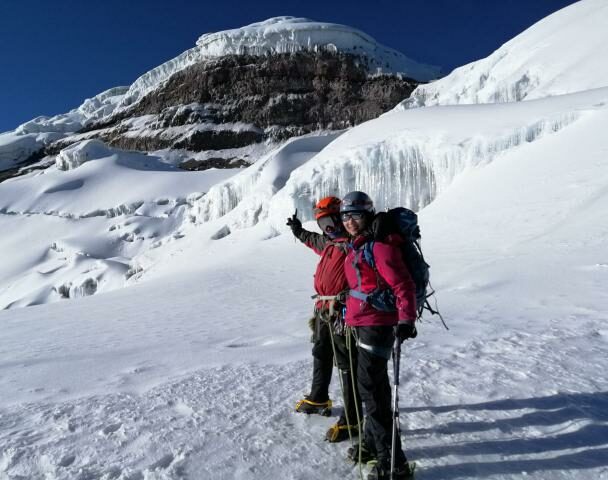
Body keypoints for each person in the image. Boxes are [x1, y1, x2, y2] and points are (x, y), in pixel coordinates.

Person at [340, 191, 417, 480]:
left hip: (376, 325)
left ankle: (393, 463)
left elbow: (403, 284)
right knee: (370, 389)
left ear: (368, 215)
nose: (349, 221)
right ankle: (373, 444)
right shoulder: (360, 245)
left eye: (355, 215)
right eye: (345, 216)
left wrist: (407, 319)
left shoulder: (380, 246)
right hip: (363, 322)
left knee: (373, 394)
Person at [287, 196, 362, 443]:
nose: (327, 227)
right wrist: (298, 230)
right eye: (322, 223)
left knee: (347, 364)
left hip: (343, 311)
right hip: (323, 309)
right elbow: (311, 239)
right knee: (321, 353)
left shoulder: (354, 242)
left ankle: (353, 418)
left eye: (330, 220)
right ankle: (318, 397)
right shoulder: (329, 242)